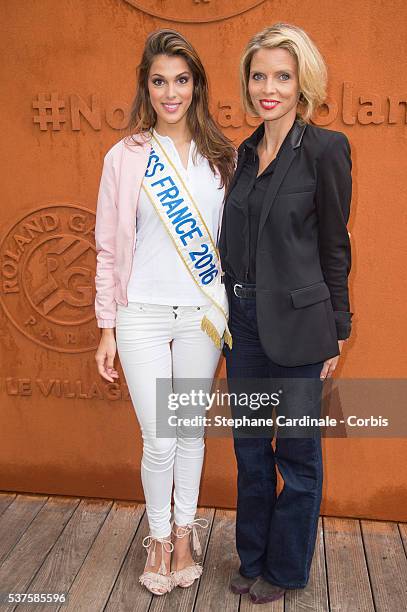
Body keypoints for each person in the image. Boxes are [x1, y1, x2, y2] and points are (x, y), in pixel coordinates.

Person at [94, 29, 235, 596]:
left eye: (181, 80)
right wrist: (105, 327)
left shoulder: (220, 157)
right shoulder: (125, 157)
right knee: (161, 435)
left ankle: (184, 531)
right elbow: (108, 244)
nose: (170, 92)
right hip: (142, 314)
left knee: (189, 431)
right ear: (146, 87)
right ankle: (157, 535)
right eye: (159, 81)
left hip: (201, 313)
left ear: (196, 85)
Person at [218, 23, 353, 604]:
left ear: (303, 83)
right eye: (258, 75)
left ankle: (287, 568)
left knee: (297, 456)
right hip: (242, 327)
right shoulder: (243, 154)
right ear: (247, 82)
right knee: (250, 451)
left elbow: (335, 245)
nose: (267, 88)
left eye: (281, 76)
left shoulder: (325, 149)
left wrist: (337, 330)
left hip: (300, 327)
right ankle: (252, 557)